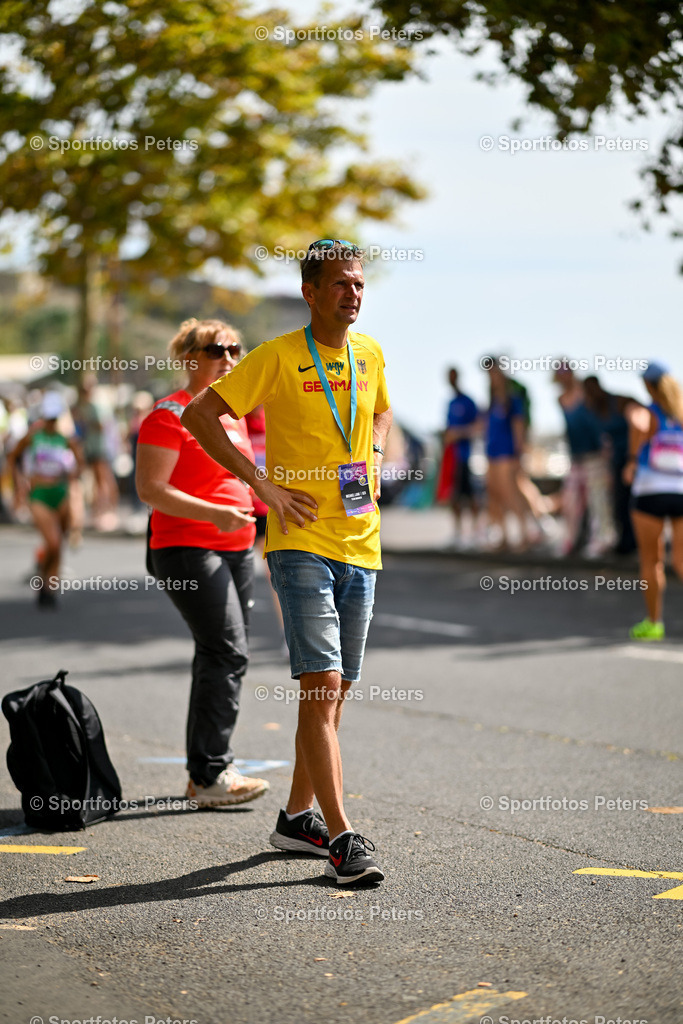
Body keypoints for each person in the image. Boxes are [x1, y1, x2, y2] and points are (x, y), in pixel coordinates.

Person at [182, 239, 392, 885]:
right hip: (299, 540)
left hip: (361, 540)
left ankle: (295, 817)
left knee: (335, 696)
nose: (351, 294)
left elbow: (380, 413)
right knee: (319, 686)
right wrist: (259, 485)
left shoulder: (370, 353)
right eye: (338, 284)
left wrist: (374, 461)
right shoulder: (276, 357)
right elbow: (201, 413)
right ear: (309, 292)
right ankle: (341, 837)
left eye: (357, 283)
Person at [135, 319, 269, 806]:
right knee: (227, 650)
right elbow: (150, 489)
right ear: (189, 357)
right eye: (217, 350)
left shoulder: (232, 416)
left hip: (236, 548)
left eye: (236, 350)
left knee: (221, 651)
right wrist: (216, 514)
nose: (229, 359)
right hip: (186, 548)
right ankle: (212, 774)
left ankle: (204, 775)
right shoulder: (167, 415)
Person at [8, 391, 83, 608]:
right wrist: (20, 484)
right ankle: (45, 580)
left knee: (58, 545)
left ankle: (48, 587)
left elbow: (79, 463)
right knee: (53, 541)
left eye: (54, 418)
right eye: (48, 417)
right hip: (39, 494)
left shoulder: (66, 438)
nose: (50, 421)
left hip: (61, 492)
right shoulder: (33, 436)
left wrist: (73, 477)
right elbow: (13, 458)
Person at [625, 361, 683, 640]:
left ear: (648, 385)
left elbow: (637, 437)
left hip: (650, 492)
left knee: (652, 561)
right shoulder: (681, 413)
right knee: (682, 561)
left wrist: (632, 461)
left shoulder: (646, 414)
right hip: (680, 491)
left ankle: (654, 622)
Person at [553, 363, 615, 558]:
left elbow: (597, 424)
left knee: (598, 500)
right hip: (576, 456)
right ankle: (570, 540)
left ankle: (602, 539)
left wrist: (606, 451)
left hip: (595, 455)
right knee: (571, 501)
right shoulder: (561, 399)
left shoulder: (585, 396)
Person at [583, 375, 642, 555]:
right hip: (617, 461)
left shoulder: (622, 402)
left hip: (634, 458)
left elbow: (639, 425)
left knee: (634, 502)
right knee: (619, 503)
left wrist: (634, 458)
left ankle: (635, 542)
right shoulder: (595, 409)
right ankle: (625, 542)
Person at [484, 358, 538, 550]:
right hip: (492, 452)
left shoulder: (513, 400)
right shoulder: (492, 401)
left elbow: (519, 427)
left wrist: (519, 454)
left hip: (508, 453)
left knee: (510, 493)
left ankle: (525, 533)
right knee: (496, 493)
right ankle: (504, 535)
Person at [443, 367, 481, 548]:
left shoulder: (468, 402)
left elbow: (479, 427)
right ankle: (458, 532)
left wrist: (459, 434)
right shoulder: (450, 403)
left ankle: (476, 531)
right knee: (454, 496)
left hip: (466, 457)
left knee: (471, 495)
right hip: (452, 457)